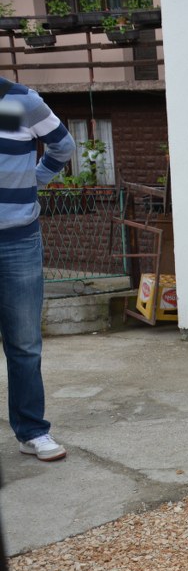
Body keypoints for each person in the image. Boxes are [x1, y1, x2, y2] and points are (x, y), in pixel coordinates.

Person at [0, 76, 75, 463]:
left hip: (18, 241)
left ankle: (31, 431)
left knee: (25, 344)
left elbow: (63, 145)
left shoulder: (18, 103)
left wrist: (36, 179)